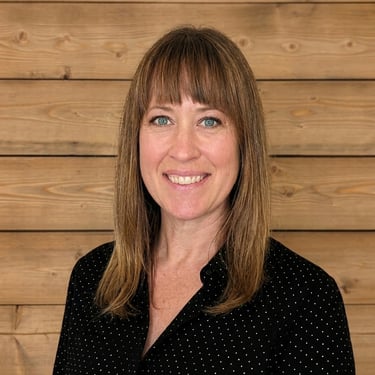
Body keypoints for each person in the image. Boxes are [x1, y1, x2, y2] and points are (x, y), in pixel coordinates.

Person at [53, 26, 355, 374]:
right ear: (136, 139)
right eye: (162, 119)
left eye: (209, 121)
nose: (183, 150)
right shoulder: (92, 279)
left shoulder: (305, 300)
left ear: (244, 142)